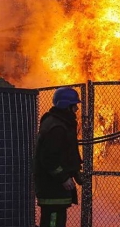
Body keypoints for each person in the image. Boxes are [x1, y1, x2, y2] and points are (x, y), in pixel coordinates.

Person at [33, 87, 84, 227]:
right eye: (74, 106)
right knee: (53, 222)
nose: (76, 109)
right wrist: (63, 177)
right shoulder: (57, 127)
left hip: (54, 187)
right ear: (65, 105)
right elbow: (48, 158)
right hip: (52, 187)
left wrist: (75, 172)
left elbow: (66, 154)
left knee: (56, 220)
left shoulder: (60, 123)